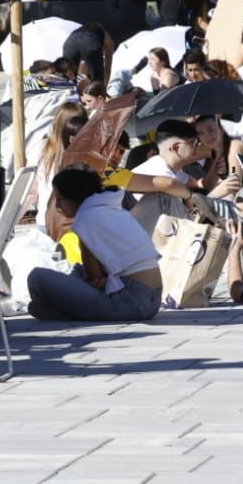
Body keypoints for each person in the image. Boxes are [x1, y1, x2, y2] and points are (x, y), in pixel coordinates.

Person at [29, 167, 162, 322]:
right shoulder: (112, 209)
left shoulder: (85, 219)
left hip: (129, 302)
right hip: (152, 300)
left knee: (36, 277)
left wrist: (97, 279)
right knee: (78, 269)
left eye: (60, 198)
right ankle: (63, 309)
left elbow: (94, 277)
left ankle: (61, 310)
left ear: (74, 195)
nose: (57, 206)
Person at [32, 102, 88, 218]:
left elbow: (32, 191)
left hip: (46, 218)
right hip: (74, 219)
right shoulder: (84, 154)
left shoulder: (41, 147)